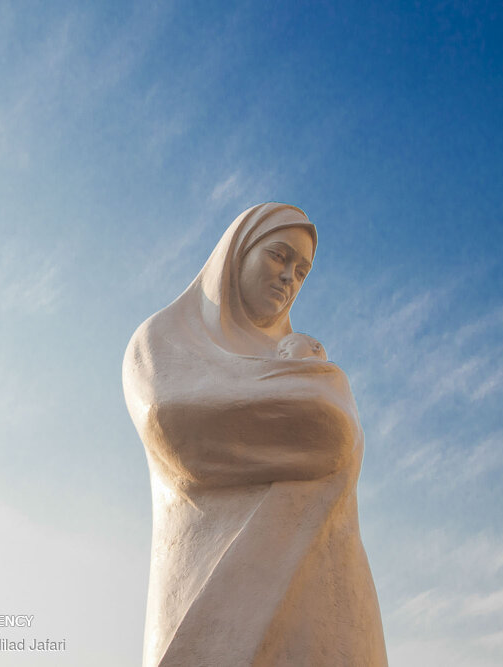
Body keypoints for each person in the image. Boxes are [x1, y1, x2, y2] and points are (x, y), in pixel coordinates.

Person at [122, 203, 387, 667]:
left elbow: (336, 429)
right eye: (278, 256)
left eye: (301, 271)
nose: (290, 278)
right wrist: (304, 407)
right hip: (206, 584)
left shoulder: (301, 358)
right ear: (237, 254)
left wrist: (306, 403)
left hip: (318, 586)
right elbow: (175, 427)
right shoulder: (165, 341)